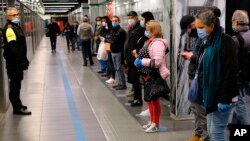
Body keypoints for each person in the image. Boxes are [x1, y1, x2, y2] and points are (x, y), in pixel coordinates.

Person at [183, 9, 239, 141]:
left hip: (222, 96)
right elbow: (204, 63)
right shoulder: (207, 42)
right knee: (211, 130)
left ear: (211, 26)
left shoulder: (226, 42)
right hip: (210, 95)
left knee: (216, 131)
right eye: (197, 27)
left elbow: (230, 72)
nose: (198, 31)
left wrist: (225, 99)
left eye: (201, 27)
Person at [134, 20, 170, 132]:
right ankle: (152, 121)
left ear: (153, 31)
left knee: (154, 100)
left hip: (154, 74)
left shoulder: (158, 43)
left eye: (147, 29)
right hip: (148, 74)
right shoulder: (150, 41)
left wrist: (142, 62)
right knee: (150, 99)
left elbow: (158, 61)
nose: (146, 31)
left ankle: (156, 124)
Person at [179, 15, 208, 141]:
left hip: (199, 77)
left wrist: (191, 57)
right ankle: (198, 133)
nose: (189, 32)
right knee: (195, 108)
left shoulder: (205, 39)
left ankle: (206, 136)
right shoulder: (198, 38)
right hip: (193, 75)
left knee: (200, 109)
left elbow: (203, 58)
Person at [2, 7, 31, 115]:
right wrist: (21, 61)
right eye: (14, 15)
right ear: (8, 17)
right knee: (14, 85)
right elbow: (13, 48)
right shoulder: (9, 29)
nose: (17, 16)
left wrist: (24, 60)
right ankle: (16, 108)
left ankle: (18, 103)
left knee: (17, 84)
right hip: (14, 63)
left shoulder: (15, 27)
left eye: (17, 14)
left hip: (17, 62)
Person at [231, 10, 250, 125]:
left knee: (240, 104)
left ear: (236, 22)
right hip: (247, 76)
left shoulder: (235, 40)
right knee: (239, 103)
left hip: (238, 78)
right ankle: (235, 128)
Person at [124, 11, 144, 106]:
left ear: (136, 18)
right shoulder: (131, 29)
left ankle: (138, 99)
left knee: (136, 80)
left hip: (135, 58)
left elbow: (137, 44)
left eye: (131, 17)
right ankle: (136, 97)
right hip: (130, 59)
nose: (129, 20)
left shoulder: (140, 29)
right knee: (133, 79)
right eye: (128, 18)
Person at [106, 16, 127, 89]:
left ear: (119, 21)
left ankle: (123, 84)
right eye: (113, 21)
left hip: (119, 52)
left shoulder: (121, 31)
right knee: (116, 67)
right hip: (113, 51)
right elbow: (108, 38)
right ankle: (120, 82)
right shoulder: (113, 30)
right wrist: (108, 38)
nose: (114, 22)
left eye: (115, 21)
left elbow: (113, 40)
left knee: (119, 68)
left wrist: (108, 39)